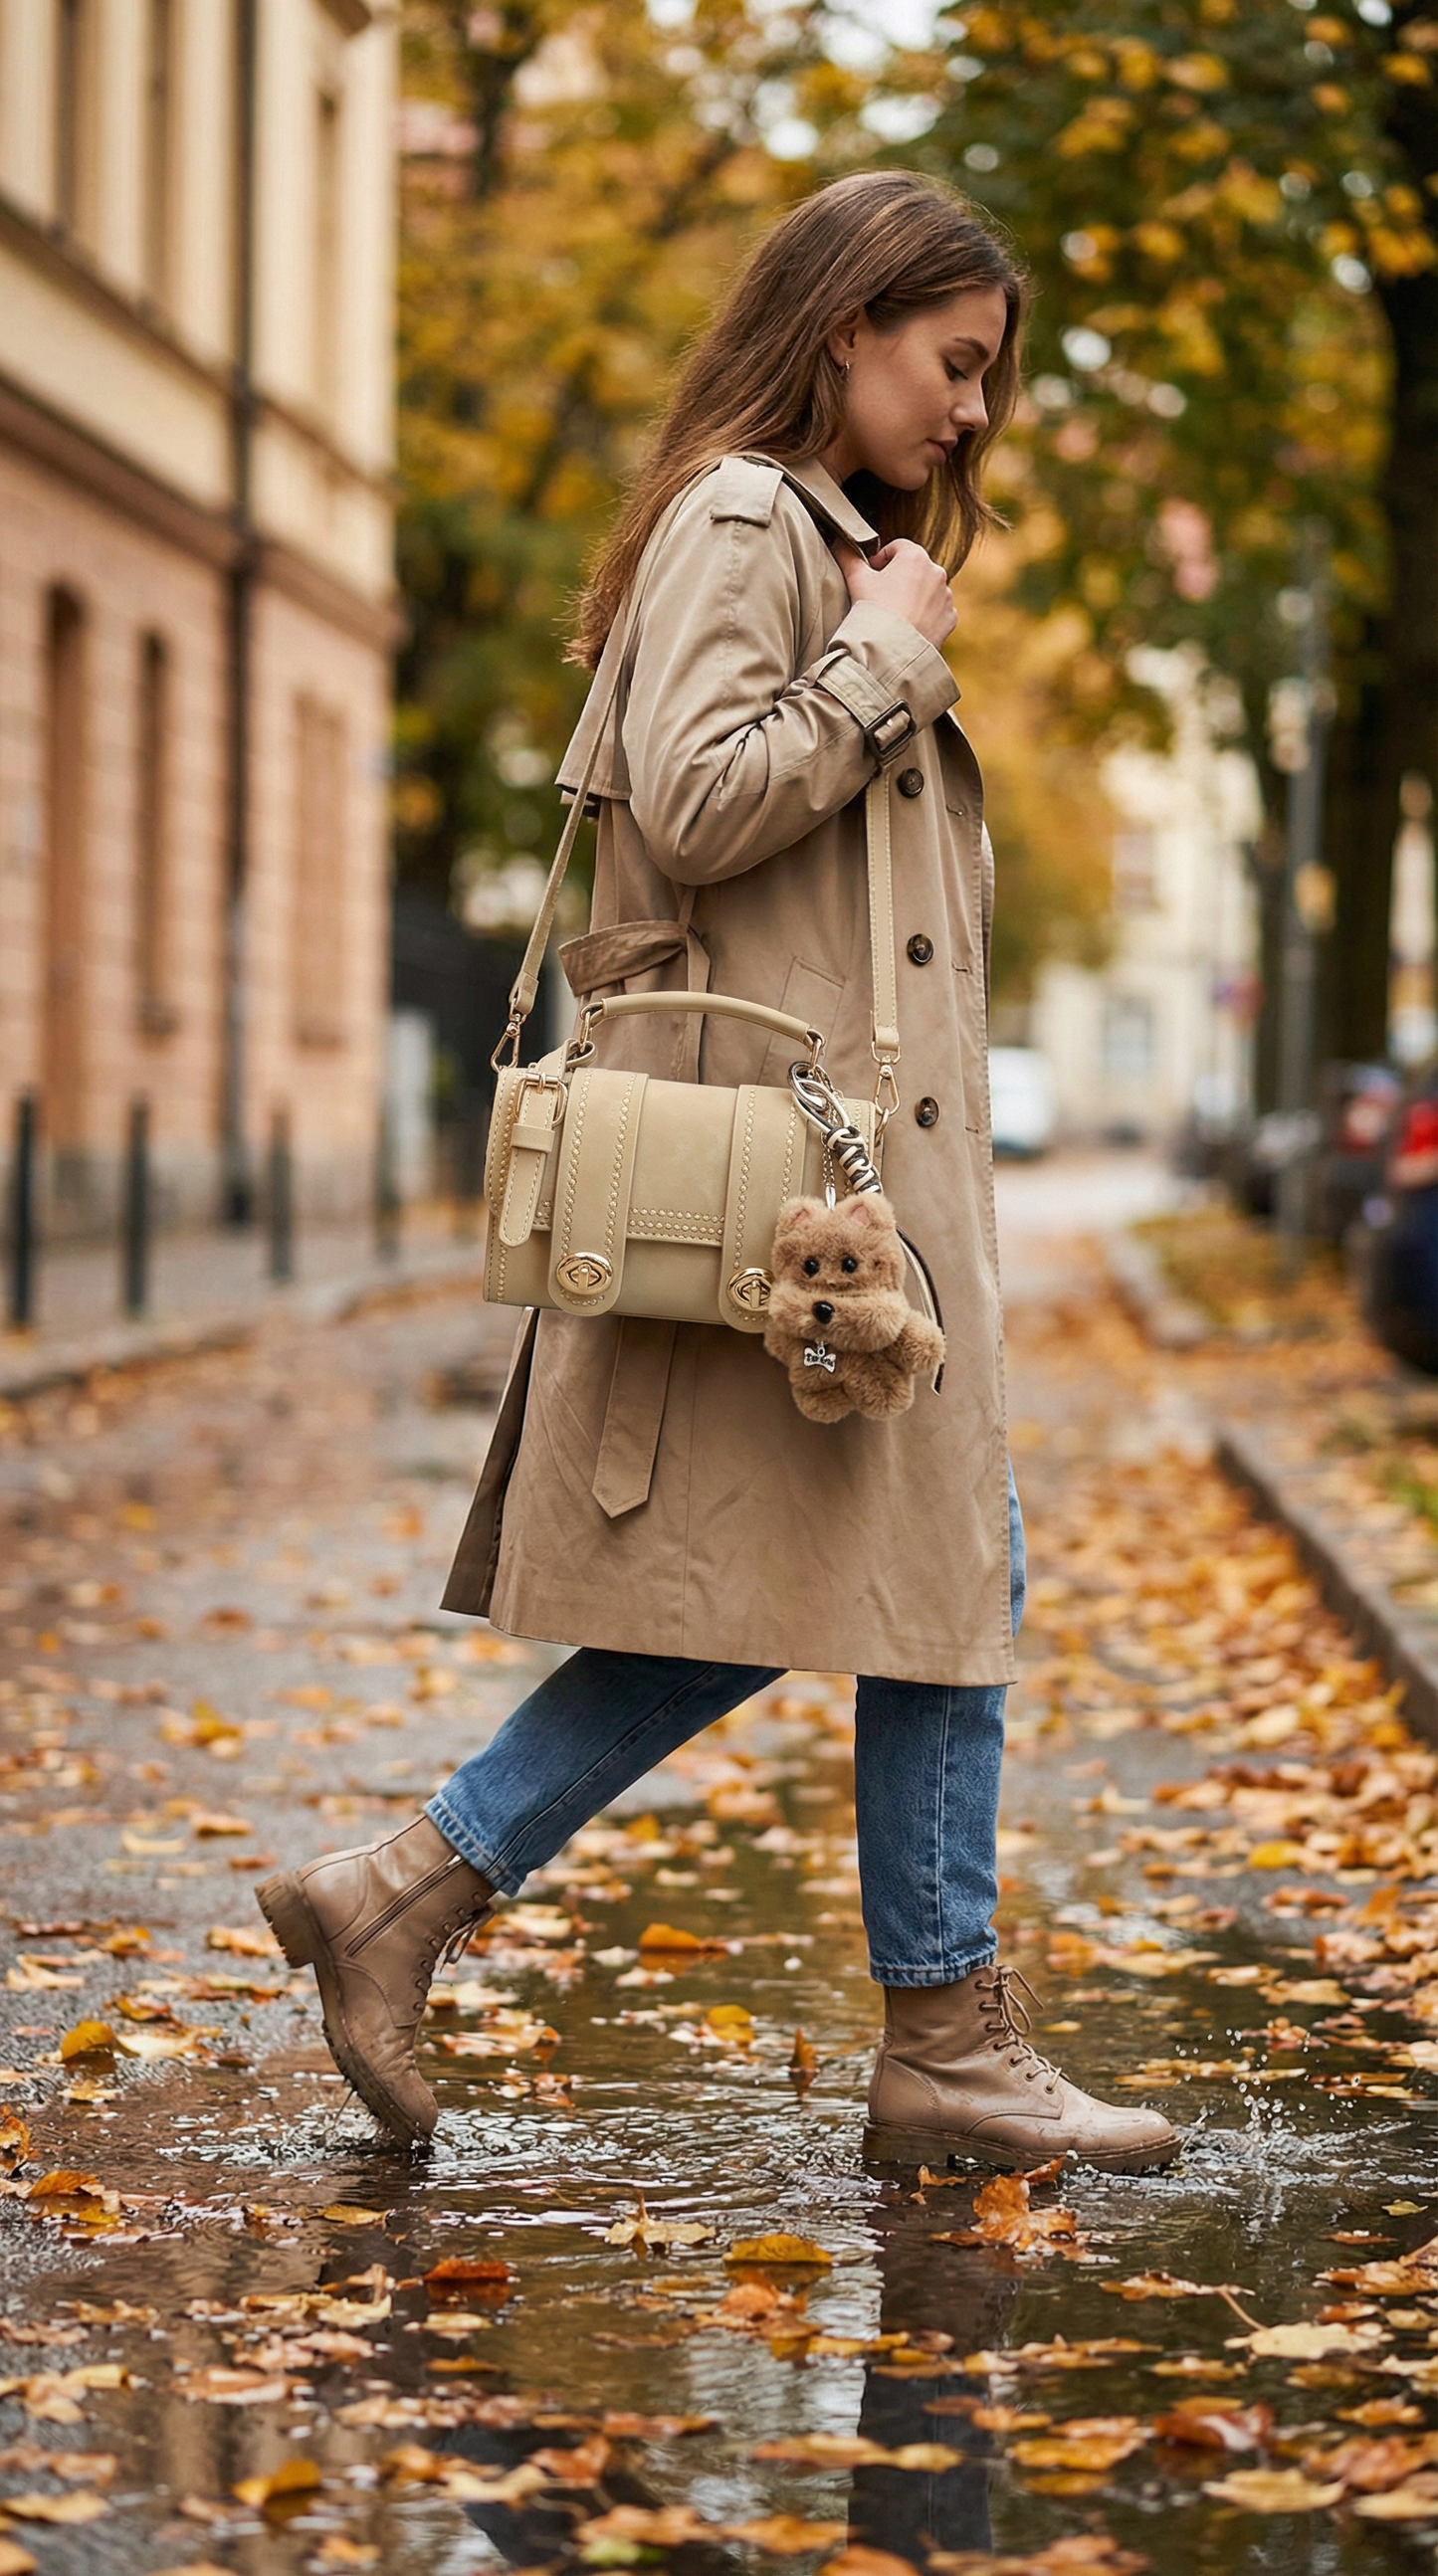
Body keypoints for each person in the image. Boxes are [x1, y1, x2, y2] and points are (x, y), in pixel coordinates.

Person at [257, 171, 1176, 2178]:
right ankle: (926, 2030)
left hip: (832, 1205)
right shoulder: (755, 523)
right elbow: (692, 795)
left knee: (868, 1580)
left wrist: (880, 634)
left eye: (991, 382)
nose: (971, 418)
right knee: (928, 1578)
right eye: (951, 365)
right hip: (794, 1197)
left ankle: (409, 1889)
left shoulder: (818, 540)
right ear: (844, 326)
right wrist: (881, 660)